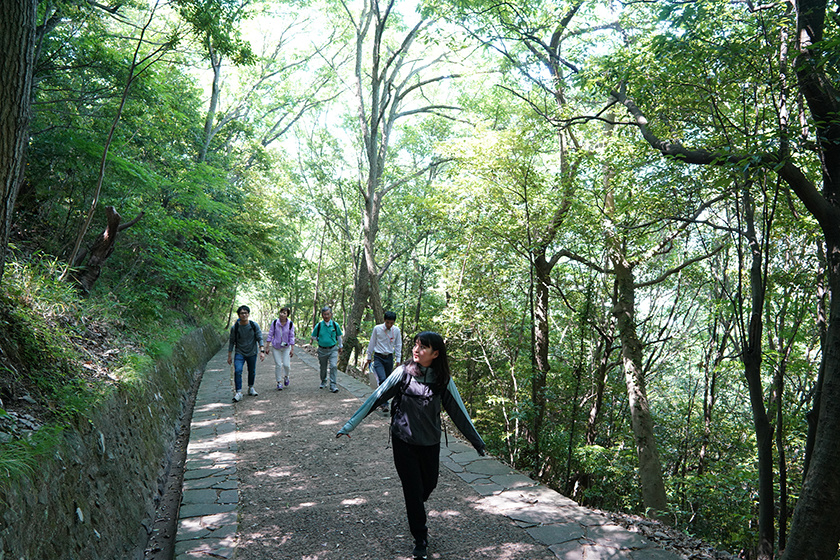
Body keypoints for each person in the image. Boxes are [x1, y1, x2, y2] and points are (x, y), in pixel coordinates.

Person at [336, 331, 486, 560]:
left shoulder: (442, 380)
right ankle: (420, 538)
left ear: (435, 354)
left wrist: (477, 443)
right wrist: (349, 425)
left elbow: (459, 412)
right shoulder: (403, 373)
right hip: (403, 440)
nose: (416, 350)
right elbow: (376, 397)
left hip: (430, 442)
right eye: (416, 345)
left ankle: (415, 505)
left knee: (429, 485)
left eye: (423, 347)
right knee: (412, 490)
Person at [365, 310, 402, 412]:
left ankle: (380, 400)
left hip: (389, 358)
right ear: (384, 320)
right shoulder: (377, 329)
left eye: (392, 323)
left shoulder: (397, 331)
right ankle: (384, 404)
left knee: (388, 382)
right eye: (388, 322)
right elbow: (372, 342)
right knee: (382, 379)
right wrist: (368, 356)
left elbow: (398, 345)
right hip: (378, 357)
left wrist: (398, 360)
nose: (389, 325)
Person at [227, 305, 265, 402]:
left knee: (252, 371)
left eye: (245, 313)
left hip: (252, 352)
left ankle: (250, 387)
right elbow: (231, 341)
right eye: (241, 313)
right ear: (239, 315)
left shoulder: (253, 325)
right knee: (238, 370)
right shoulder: (235, 327)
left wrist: (262, 351)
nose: (244, 315)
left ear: (248, 314)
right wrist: (229, 355)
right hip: (240, 352)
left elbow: (259, 337)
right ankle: (238, 392)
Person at [310, 306, 343, 393]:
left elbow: (339, 336)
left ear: (331, 314)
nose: (326, 316)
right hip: (322, 350)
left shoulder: (335, 325)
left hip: (333, 349)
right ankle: (323, 381)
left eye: (328, 314)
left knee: (333, 366)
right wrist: (319, 339)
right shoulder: (319, 325)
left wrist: (340, 346)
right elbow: (313, 336)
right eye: (325, 314)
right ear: (322, 315)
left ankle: (333, 385)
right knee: (323, 367)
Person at [264, 306, 295, 390]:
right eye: (281, 312)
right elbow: (270, 334)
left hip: (286, 347)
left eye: (284, 313)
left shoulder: (290, 324)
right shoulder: (274, 323)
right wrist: (267, 347)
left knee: (286, 365)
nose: (282, 314)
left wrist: (292, 348)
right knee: (278, 364)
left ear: (287, 315)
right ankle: (279, 382)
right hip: (276, 347)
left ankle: (286, 376)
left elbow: (292, 336)